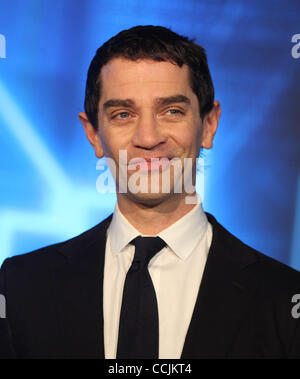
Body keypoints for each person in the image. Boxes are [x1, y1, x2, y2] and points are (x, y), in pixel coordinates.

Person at [1, 25, 300, 359]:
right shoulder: (21, 287)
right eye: (123, 114)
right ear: (94, 134)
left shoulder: (284, 297)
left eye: (171, 111)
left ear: (209, 124)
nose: (148, 137)